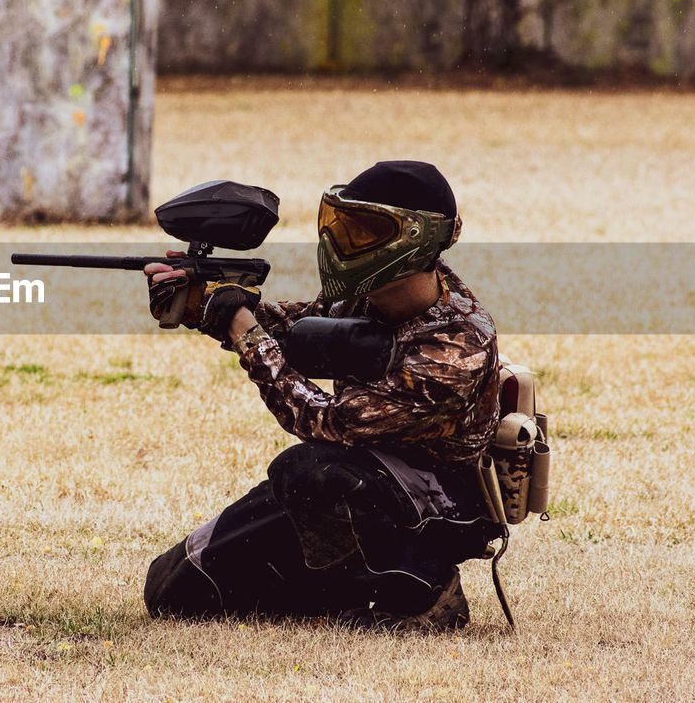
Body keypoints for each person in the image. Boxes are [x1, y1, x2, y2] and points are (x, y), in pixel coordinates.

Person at [141, 160, 501, 630]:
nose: (342, 245)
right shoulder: (363, 299)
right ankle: (338, 588)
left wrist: (244, 330)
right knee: (175, 591)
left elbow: (325, 421)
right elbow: (296, 330)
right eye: (340, 228)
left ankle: (422, 591)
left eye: (363, 231)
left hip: (439, 502)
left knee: (309, 468)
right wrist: (203, 303)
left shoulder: (456, 345)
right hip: (357, 484)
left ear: (415, 238)